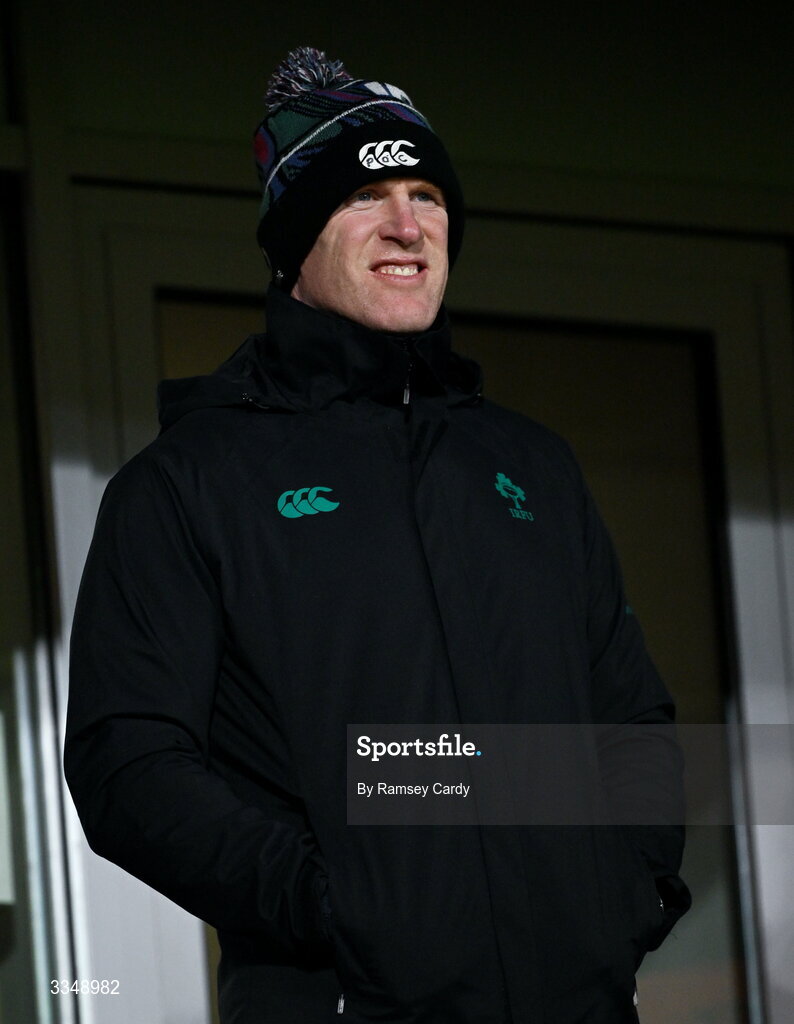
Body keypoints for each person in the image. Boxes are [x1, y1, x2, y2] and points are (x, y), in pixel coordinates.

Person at [65, 46, 691, 1023]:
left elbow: (631, 723)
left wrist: (628, 892)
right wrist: (336, 904)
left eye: (427, 195)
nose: (407, 224)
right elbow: (128, 763)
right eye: (366, 196)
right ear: (294, 242)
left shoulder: (532, 468)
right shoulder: (190, 484)